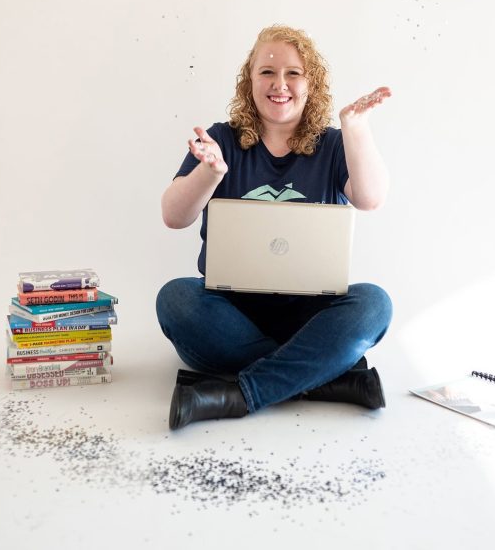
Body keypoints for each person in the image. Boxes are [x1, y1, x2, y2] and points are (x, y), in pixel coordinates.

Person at [157, 24, 393, 430]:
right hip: (231, 315)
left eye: (293, 73)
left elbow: (370, 198)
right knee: (175, 299)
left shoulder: (334, 144)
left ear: (310, 83)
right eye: (266, 72)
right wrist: (211, 174)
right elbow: (174, 216)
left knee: (374, 304)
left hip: (311, 315)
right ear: (249, 81)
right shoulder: (221, 140)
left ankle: (239, 393)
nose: (279, 83)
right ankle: (326, 374)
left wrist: (355, 127)